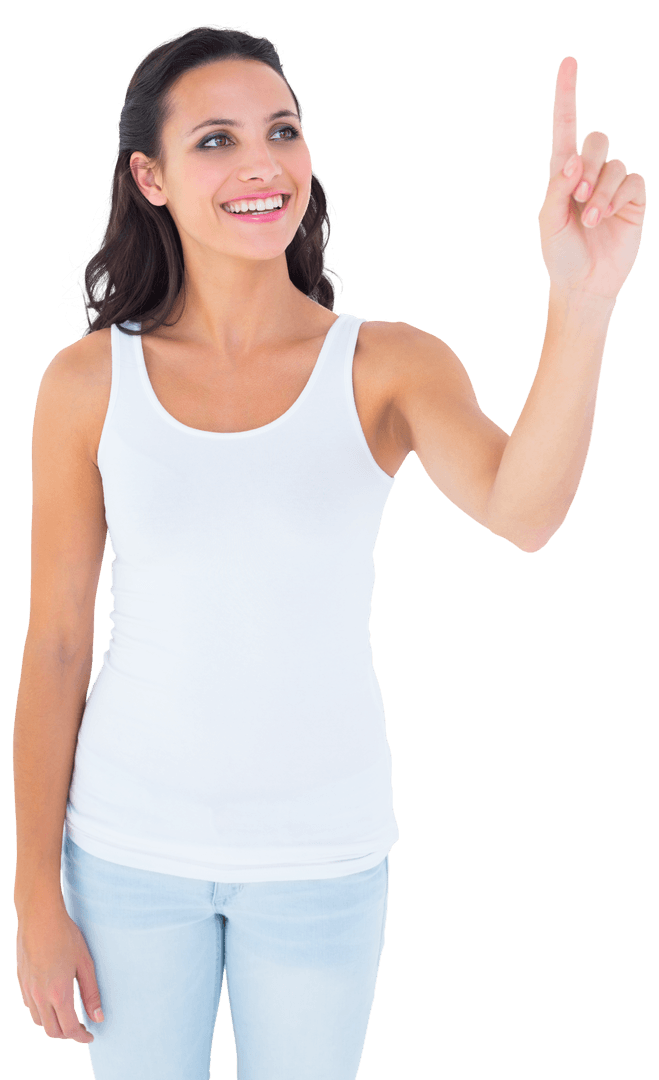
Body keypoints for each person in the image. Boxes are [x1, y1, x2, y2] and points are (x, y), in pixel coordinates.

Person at [12, 23, 645, 1080]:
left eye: (283, 131)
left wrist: (580, 302)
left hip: (320, 859)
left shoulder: (386, 366)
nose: (262, 163)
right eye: (215, 140)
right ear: (150, 177)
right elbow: (58, 646)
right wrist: (36, 889)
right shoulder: (84, 382)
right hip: (125, 855)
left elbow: (522, 513)